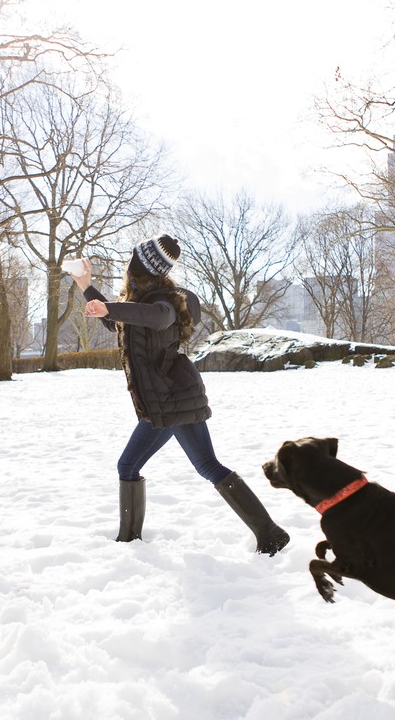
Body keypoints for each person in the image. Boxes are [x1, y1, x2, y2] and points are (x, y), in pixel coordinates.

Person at [72, 234, 290, 555]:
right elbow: (118, 320)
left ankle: (130, 543)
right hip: (170, 400)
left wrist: (110, 307)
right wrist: (86, 287)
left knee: (139, 466)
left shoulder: (167, 301)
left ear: (139, 268)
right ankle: (269, 533)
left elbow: (158, 317)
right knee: (199, 465)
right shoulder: (141, 303)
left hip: (169, 400)